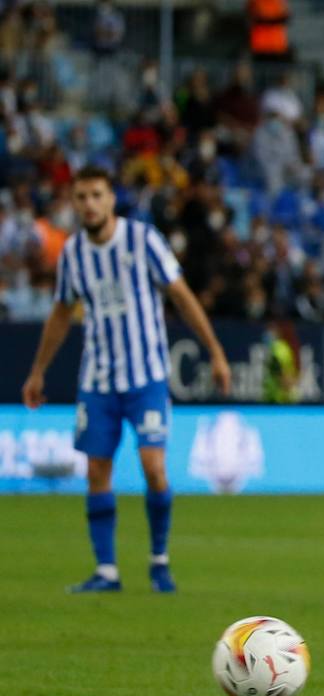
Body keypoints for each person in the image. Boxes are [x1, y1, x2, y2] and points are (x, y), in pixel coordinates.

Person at [21, 166, 232, 593]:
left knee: (154, 467)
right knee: (97, 469)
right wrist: (38, 371)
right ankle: (106, 571)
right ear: (74, 203)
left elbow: (180, 295)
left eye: (97, 194)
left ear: (111, 198)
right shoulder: (74, 254)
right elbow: (62, 313)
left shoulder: (143, 240)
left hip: (147, 377)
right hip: (97, 379)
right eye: (81, 197)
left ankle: (159, 560)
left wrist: (215, 351)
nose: (89, 204)